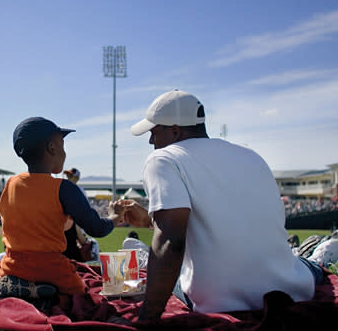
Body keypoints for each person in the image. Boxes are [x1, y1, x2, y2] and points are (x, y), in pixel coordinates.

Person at [119, 89, 319, 320]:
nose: (151, 140)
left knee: (170, 269)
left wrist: (146, 318)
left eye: (155, 132)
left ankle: (145, 258)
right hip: (289, 285)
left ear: (174, 130)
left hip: (216, 299)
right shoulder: (251, 155)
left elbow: (171, 242)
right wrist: (148, 220)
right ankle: (311, 261)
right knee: (307, 266)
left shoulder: (163, 159)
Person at [0, 117, 124, 299]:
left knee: (24, 276)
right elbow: (97, 228)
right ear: (52, 148)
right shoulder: (64, 188)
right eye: (62, 145)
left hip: (11, 266)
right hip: (50, 268)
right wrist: (115, 216)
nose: (64, 152)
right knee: (81, 294)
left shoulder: (10, 184)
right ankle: (46, 293)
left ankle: (25, 288)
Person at [62, 167, 89, 261]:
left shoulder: (79, 191)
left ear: (77, 178)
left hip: (74, 225)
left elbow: (83, 211)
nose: (68, 178)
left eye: (70, 176)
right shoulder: (64, 188)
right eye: (67, 175)